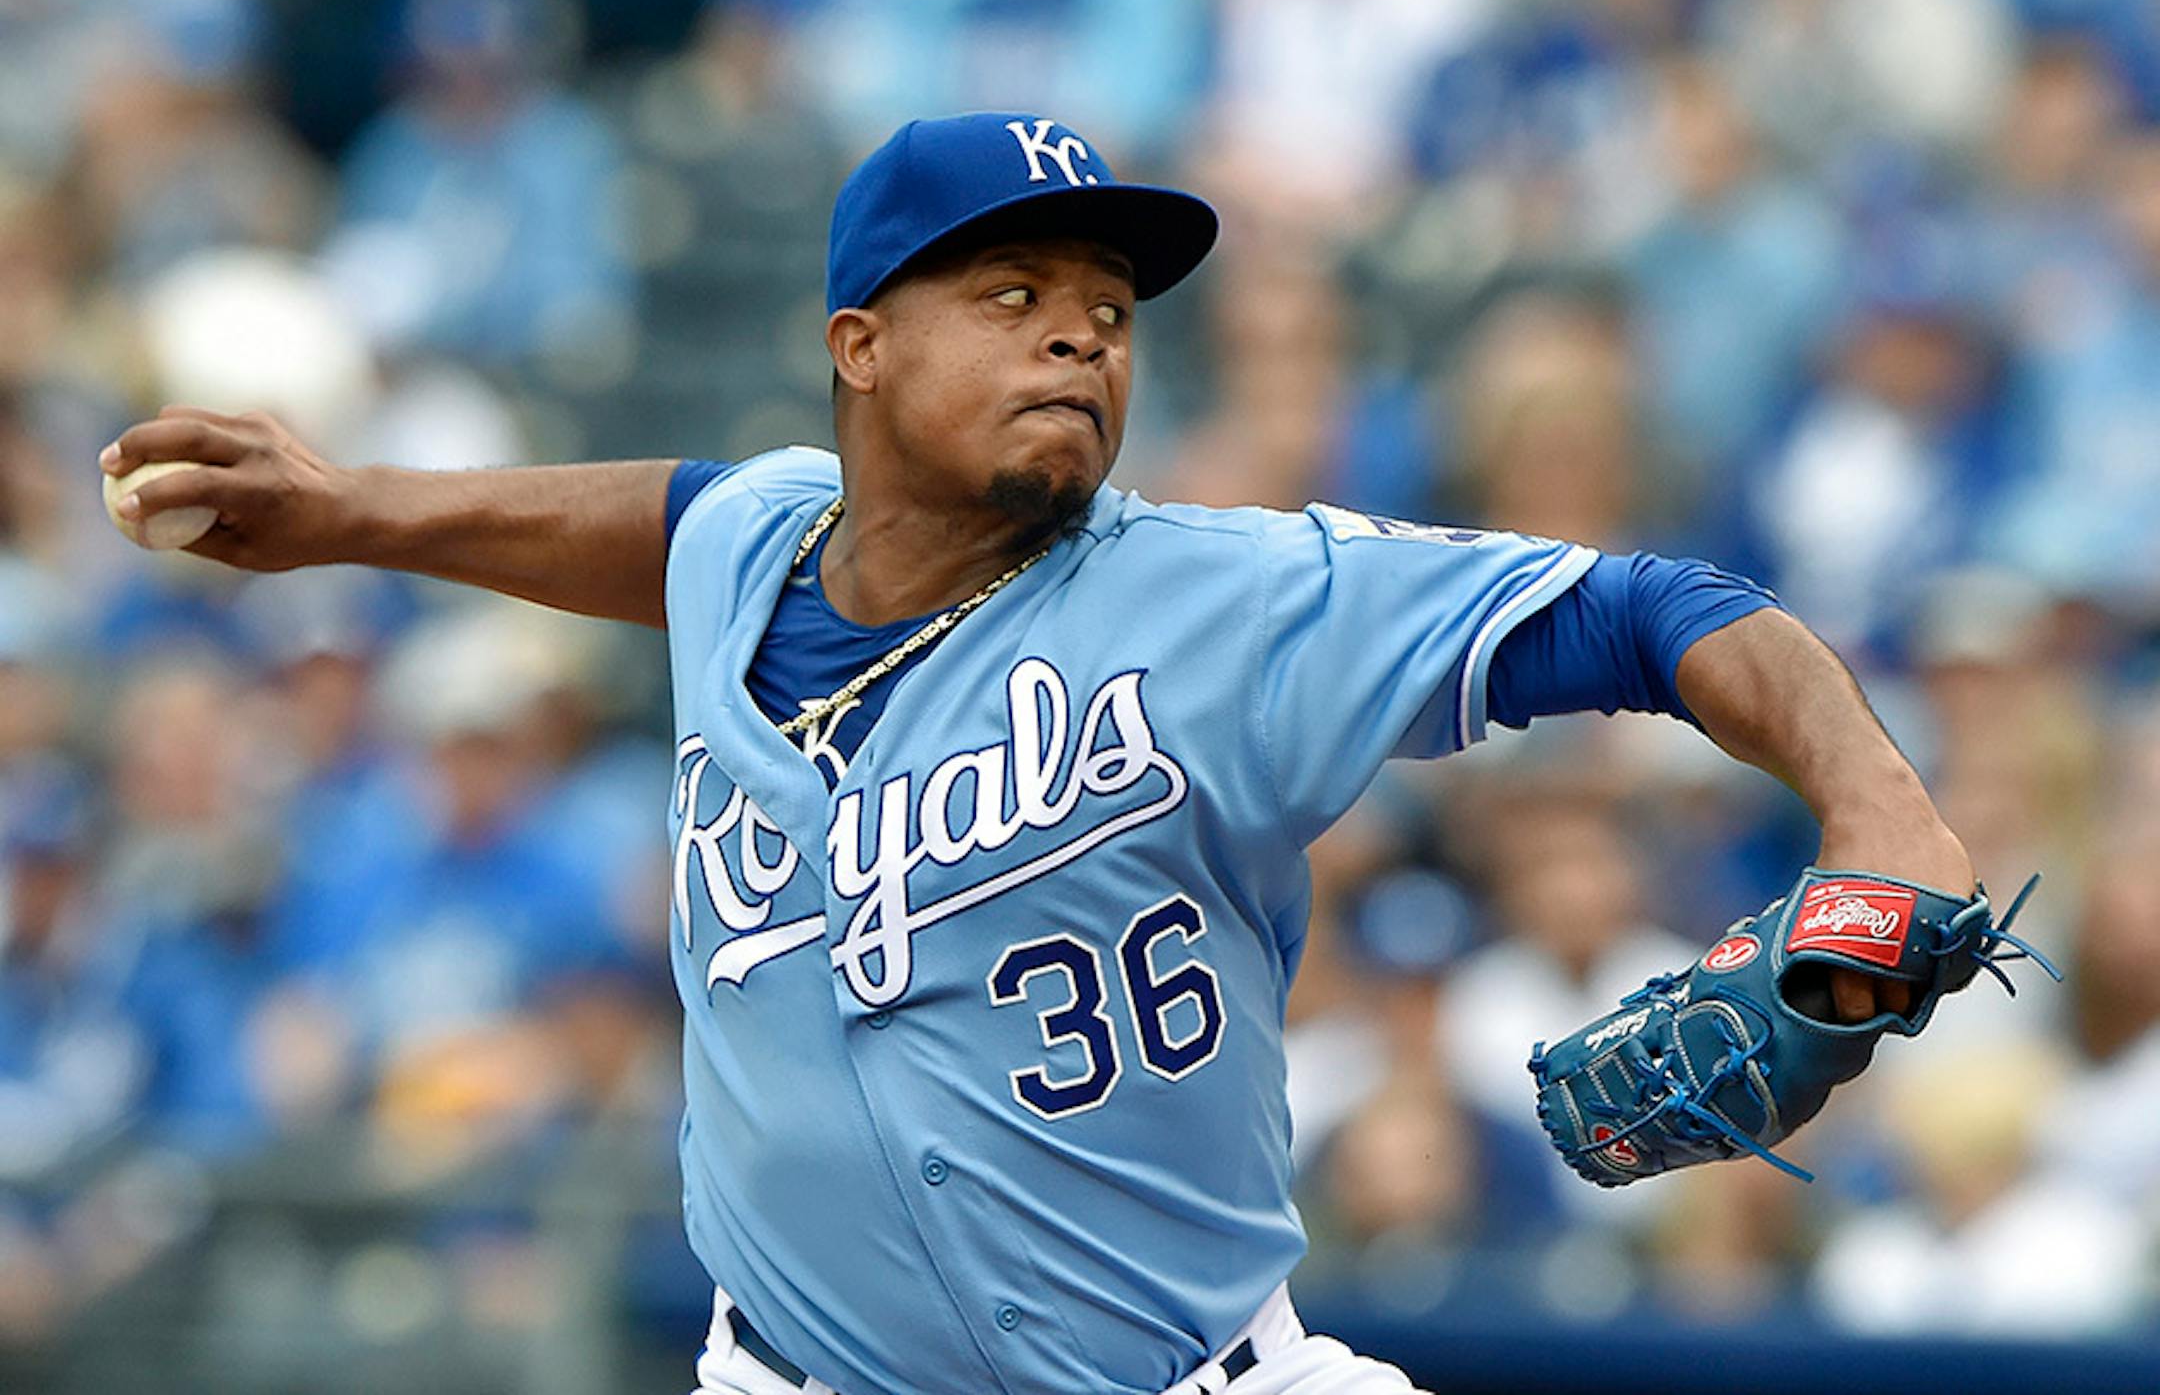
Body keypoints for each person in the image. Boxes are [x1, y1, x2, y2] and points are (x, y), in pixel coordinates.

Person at [101, 112, 1974, 1395]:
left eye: (1106, 313)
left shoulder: (1232, 601)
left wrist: (1877, 803)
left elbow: (1652, 607)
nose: (1080, 338)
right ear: (860, 346)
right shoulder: (749, 542)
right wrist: (357, 515)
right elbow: (650, 521)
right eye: (1013, 298)